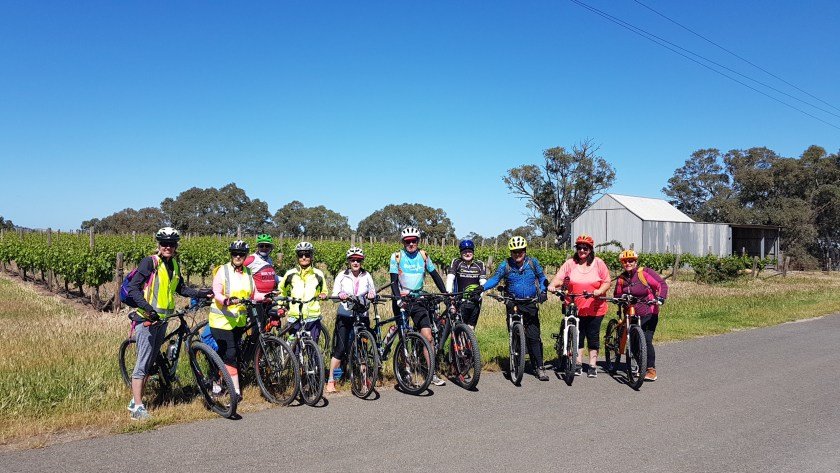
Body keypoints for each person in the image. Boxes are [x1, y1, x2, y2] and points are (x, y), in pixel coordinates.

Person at [126, 227, 212, 420]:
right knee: (143, 363)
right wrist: (148, 309)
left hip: (163, 319)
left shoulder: (173, 263)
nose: (168, 247)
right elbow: (133, 288)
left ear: (176, 246)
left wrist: (202, 293)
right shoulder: (150, 262)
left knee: (151, 360)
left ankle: (137, 399)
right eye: (164, 243)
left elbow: (180, 288)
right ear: (159, 244)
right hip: (146, 319)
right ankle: (136, 407)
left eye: (171, 244)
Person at [479, 236, 550, 381]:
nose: (517, 254)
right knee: (515, 335)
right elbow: (495, 279)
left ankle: (539, 367)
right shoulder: (505, 265)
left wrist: (543, 291)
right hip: (513, 302)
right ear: (511, 252)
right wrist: (482, 288)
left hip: (530, 302)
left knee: (534, 337)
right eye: (514, 252)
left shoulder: (532, 262)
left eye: (520, 251)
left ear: (524, 251)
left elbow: (542, 278)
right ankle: (516, 362)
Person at [389, 226, 449, 386]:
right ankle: (406, 371)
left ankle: (431, 372)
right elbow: (393, 281)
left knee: (428, 337)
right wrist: (397, 299)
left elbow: (435, 275)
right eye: (407, 241)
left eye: (414, 241)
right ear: (403, 242)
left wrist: (445, 293)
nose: (411, 244)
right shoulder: (396, 256)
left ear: (418, 241)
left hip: (419, 300)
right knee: (404, 338)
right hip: (402, 301)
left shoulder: (423, 256)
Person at [547, 234, 611, 378]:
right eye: (579, 248)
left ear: (590, 249)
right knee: (579, 335)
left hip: (595, 306)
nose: (582, 250)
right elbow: (559, 278)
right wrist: (552, 285)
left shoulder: (598, 263)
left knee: (593, 335)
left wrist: (599, 291)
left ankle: (593, 365)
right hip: (574, 306)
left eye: (585, 248)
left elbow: (607, 281)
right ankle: (578, 363)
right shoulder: (570, 264)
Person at [209, 240, 256, 401]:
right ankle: (236, 391)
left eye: (241, 254)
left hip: (238, 321)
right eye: (235, 253)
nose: (238, 256)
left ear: (245, 256)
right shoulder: (222, 271)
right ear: (231, 255)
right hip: (221, 320)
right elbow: (216, 292)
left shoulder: (249, 272)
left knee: (224, 353)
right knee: (231, 353)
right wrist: (226, 300)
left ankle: (216, 382)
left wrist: (268, 297)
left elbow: (253, 295)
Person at [327, 247, 377, 393]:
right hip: (345, 315)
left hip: (362, 315)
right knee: (340, 349)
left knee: (362, 350)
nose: (355, 262)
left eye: (358, 260)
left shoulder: (367, 275)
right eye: (353, 260)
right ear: (349, 261)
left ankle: (364, 380)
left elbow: (372, 290)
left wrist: (372, 294)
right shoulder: (342, 275)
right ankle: (331, 380)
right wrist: (340, 295)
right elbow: (334, 295)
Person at [614, 249, 668, 381]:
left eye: (631, 261)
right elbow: (617, 294)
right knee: (633, 340)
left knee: (646, 340)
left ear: (636, 261)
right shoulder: (621, 278)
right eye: (625, 261)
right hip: (631, 313)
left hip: (649, 312)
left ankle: (650, 370)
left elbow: (661, 284)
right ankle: (639, 365)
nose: (628, 263)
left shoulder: (644, 273)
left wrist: (660, 298)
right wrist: (622, 296)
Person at [279, 241, 328, 349]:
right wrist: (282, 305)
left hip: (313, 317)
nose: (304, 257)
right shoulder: (290, 273)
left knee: (313, 349)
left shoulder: (318, 274)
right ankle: (296, 365)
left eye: (307, 255)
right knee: (295, 350)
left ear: (311, 256)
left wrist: (323, 294)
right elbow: (281, 290)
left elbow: (323, 290)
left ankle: (313, 366)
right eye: (301, 255)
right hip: (295, 316)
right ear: (297, 257)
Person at [445, 239, 487, 329]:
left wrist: (480, 296)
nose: (467, 253)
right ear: (461, 252)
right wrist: (449, 293)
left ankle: (470, 342)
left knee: (471, 329)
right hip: (459, 300)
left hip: (475, 301)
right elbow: (450, 278)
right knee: (458, 327)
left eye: (470, 251)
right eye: (465, 251)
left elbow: (483, 282)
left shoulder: (480, 264)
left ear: (473, 252)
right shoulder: (456, 262)